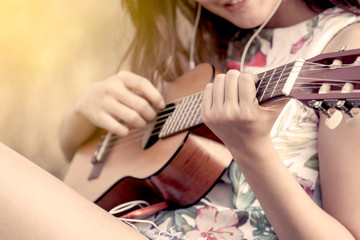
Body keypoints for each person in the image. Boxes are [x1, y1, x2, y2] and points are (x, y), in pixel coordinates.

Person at [3, 0, 359, 239]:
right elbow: (88, 168)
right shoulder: (201, 41)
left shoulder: (344, 49)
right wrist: (81, 114)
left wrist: (252, 151)